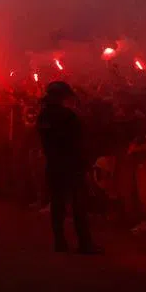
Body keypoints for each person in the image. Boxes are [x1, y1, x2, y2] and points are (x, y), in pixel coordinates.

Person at [37, 81, 99, 254]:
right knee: (78, 204)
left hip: (53, 164)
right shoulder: (68, 116)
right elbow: (78, 141)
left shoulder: (43, 116)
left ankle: (59, 242)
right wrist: (84, 163)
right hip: (71, 164)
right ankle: (85, 244)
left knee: (58, 204)